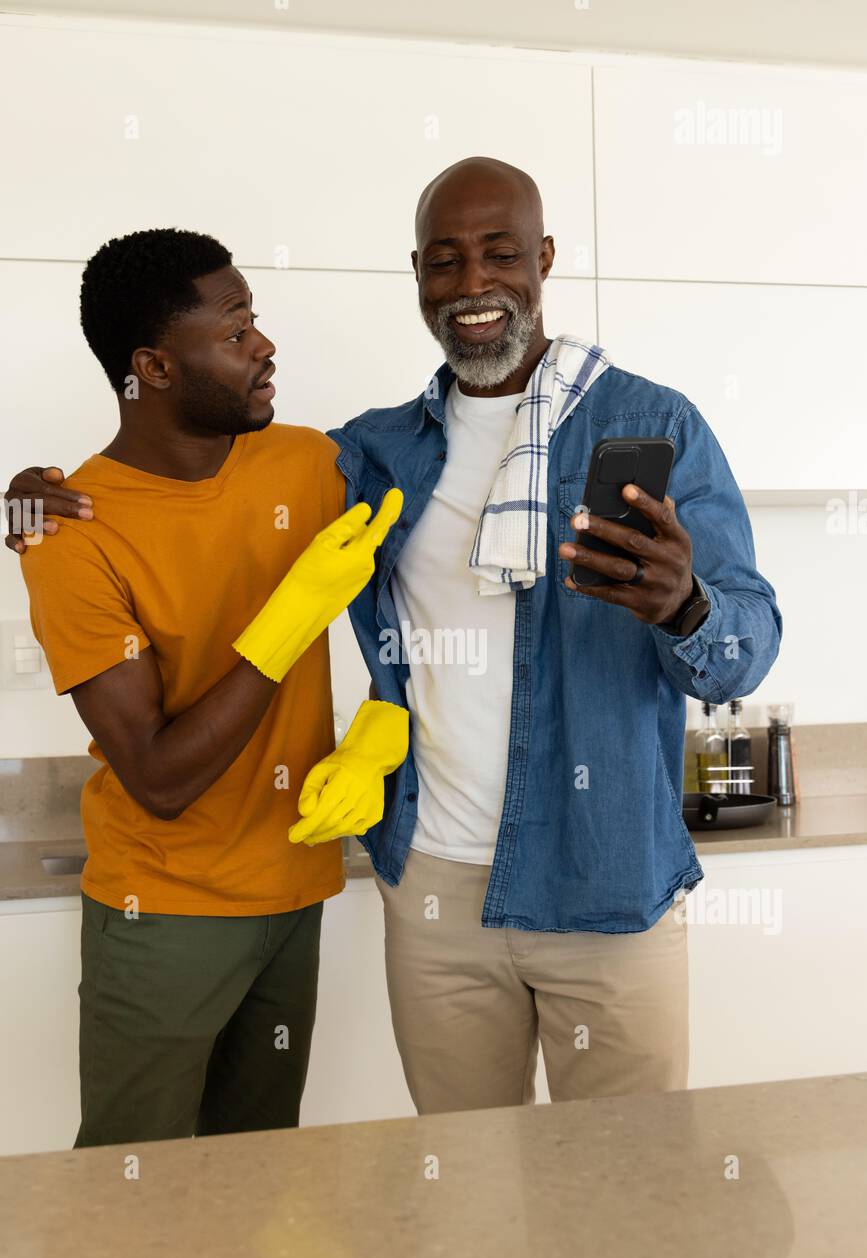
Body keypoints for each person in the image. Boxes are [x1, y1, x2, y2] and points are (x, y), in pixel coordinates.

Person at [6, 158, 782, 1119]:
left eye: (500, 254)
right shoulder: (373, 453)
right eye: (444, 261)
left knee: (630, 1194)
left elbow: (749, 644)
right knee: (463, 1191)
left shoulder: (652, 427)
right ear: (416, 275)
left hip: (605, 882)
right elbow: (173, 470)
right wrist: (37, 491)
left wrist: (686, 608)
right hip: (431, 893)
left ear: (543, 259)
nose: (472, 286)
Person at [7, 228, 406, 1147]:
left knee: (256, 1187)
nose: (263, 347)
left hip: (294, 893)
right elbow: (159, 777)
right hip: (164, 916)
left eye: (255, 321)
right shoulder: (72, 533)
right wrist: (286, 621)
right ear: (151, 365)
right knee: (131, 1195)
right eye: (234, 332)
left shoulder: (308, 464)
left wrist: (384, 727)